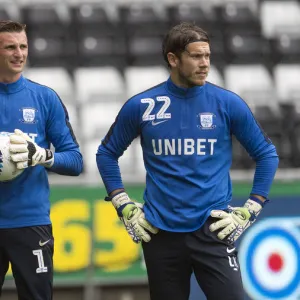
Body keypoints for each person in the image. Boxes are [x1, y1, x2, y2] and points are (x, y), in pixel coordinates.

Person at [96, 22, 279, 300]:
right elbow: (106, 153)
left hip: (213, 229)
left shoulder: (228, 104)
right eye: (196, 56)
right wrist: (123, 204)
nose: (205, 63)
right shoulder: (142, 106)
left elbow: (267, 154)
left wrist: (251, 208)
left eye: (207, 56)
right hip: (160, 233)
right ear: (173, 59)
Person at [0, 20, 83, 299]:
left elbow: (75, 161)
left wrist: (42, 155)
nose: (19, 53)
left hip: (30, 222)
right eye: (10, 47)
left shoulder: (44, 98)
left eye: (23, 46)